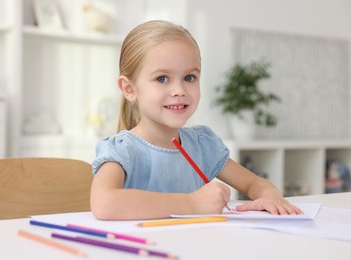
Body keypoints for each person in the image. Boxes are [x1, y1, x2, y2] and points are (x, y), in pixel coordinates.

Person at [91, 20, 302, 220]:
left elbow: (253, 182)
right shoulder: (122, 150)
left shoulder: (202, 144)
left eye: (189, 78)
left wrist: (270, 195)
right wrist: (192, 204)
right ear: (129, 89)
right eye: (162, 78)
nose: (179, 90)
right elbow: (104, 203)